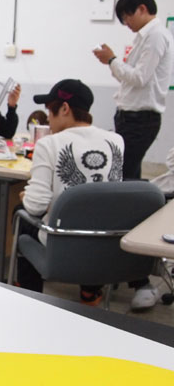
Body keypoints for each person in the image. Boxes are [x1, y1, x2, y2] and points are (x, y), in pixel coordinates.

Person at [17, 79, 159, 310]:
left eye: (50, 111)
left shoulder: (48, 144)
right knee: (93, 214)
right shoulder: (116, 141)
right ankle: (90, 291)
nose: (48, 119)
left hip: (62, 244)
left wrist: (25, 197)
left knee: (21, 216)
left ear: (64, 108)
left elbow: (36, 205)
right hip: (107, 246)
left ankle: (29, 298)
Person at [93, 0, 174, 180]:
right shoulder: (144, 37)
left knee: (123, 175)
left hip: (140, 120)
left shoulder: (155, 36)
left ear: (142, 9)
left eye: (126, 16)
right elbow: (130, 79)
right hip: (130, 117)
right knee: (128, 173)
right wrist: (111, 62)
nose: (125, 23)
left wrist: (112, 59)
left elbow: (139, 78)